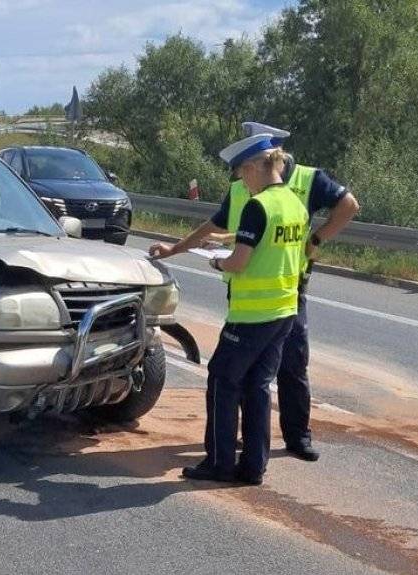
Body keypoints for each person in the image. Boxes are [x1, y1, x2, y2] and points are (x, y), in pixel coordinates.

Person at [150, 121, 359, 462]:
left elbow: (348, 205)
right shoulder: (242, 189)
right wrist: (176, 248)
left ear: (267, 157)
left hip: (287, 290)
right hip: (252, 295)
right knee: (254, 377)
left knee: (285, 367)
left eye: (247, 166)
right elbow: (218, 224)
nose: (242, 176)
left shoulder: (308, 180)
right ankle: (247, 449)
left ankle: (295, 437)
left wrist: (316, 239)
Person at [176, 133, 309, 484]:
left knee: (222, 380)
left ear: (253, 167)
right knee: (258, 386)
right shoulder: (295, 203)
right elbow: (273, 245)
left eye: (241, 174)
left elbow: (239, 262)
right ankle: (253, 466)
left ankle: (219, 463)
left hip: (251, 316)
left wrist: (217, 263)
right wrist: (226, 240)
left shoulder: (258, 205)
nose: (241, 182)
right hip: (284, 311)